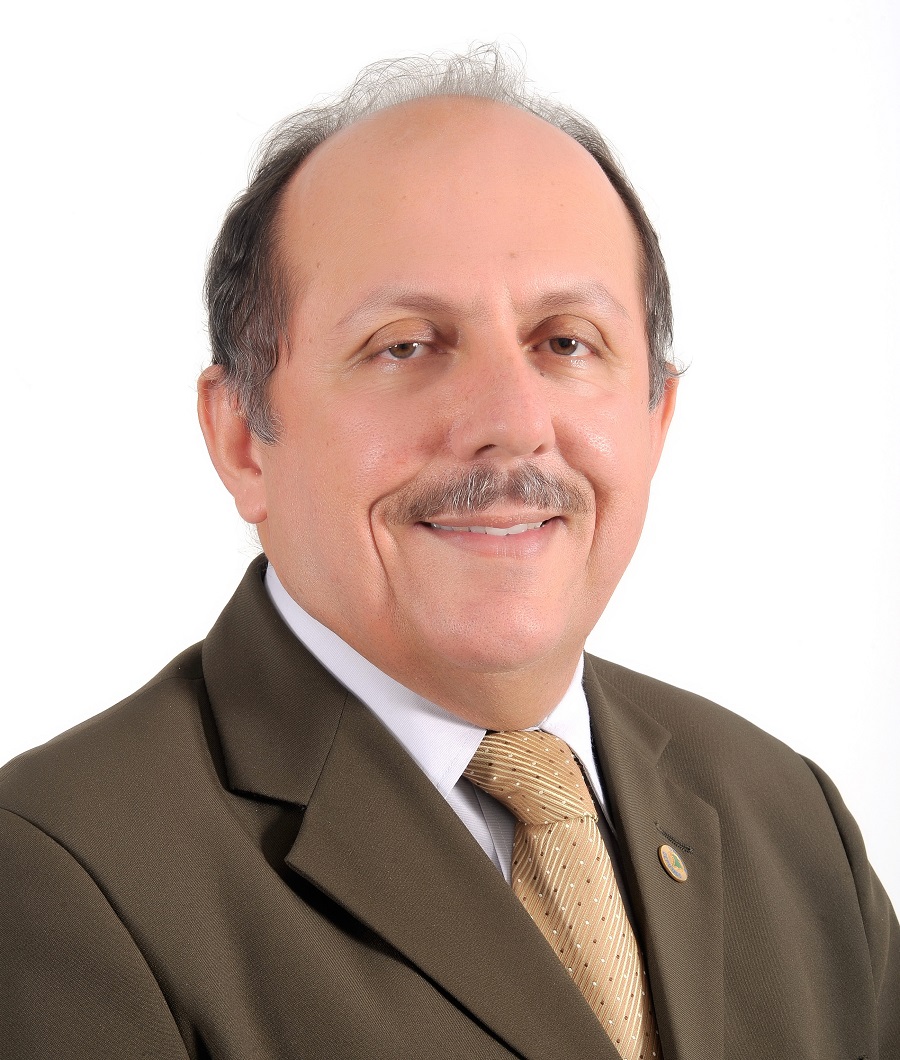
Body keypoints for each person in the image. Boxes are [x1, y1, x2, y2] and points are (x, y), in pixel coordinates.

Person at [1, 47, 897, 1060]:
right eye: (406, 344)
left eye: (566, 342)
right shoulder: (57, 877)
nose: (511, 423)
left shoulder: (792, 821)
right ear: (244, 438)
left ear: (657, 417)